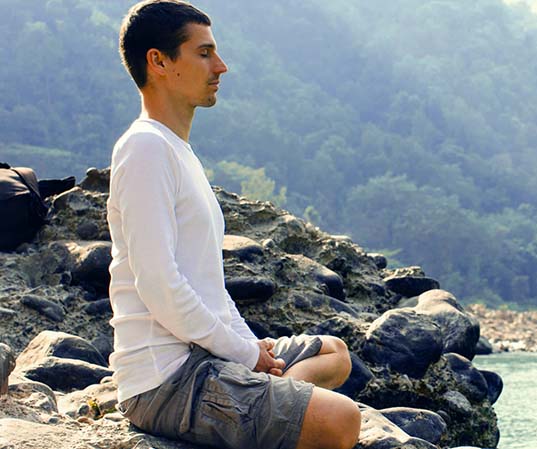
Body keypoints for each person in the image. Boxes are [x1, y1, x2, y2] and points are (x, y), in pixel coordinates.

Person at [107, 2, 361, 448]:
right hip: (167, 379)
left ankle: (277, 403)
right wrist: (243, 354)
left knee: (334, 354)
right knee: (341, 420)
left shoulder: (177, 150)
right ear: (159, 61)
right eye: (204, 53)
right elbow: (158, 283)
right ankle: (281, 409)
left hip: (207, 356)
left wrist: (250, 351)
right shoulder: (145, 149)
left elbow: (208, 284)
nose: (220, 67)